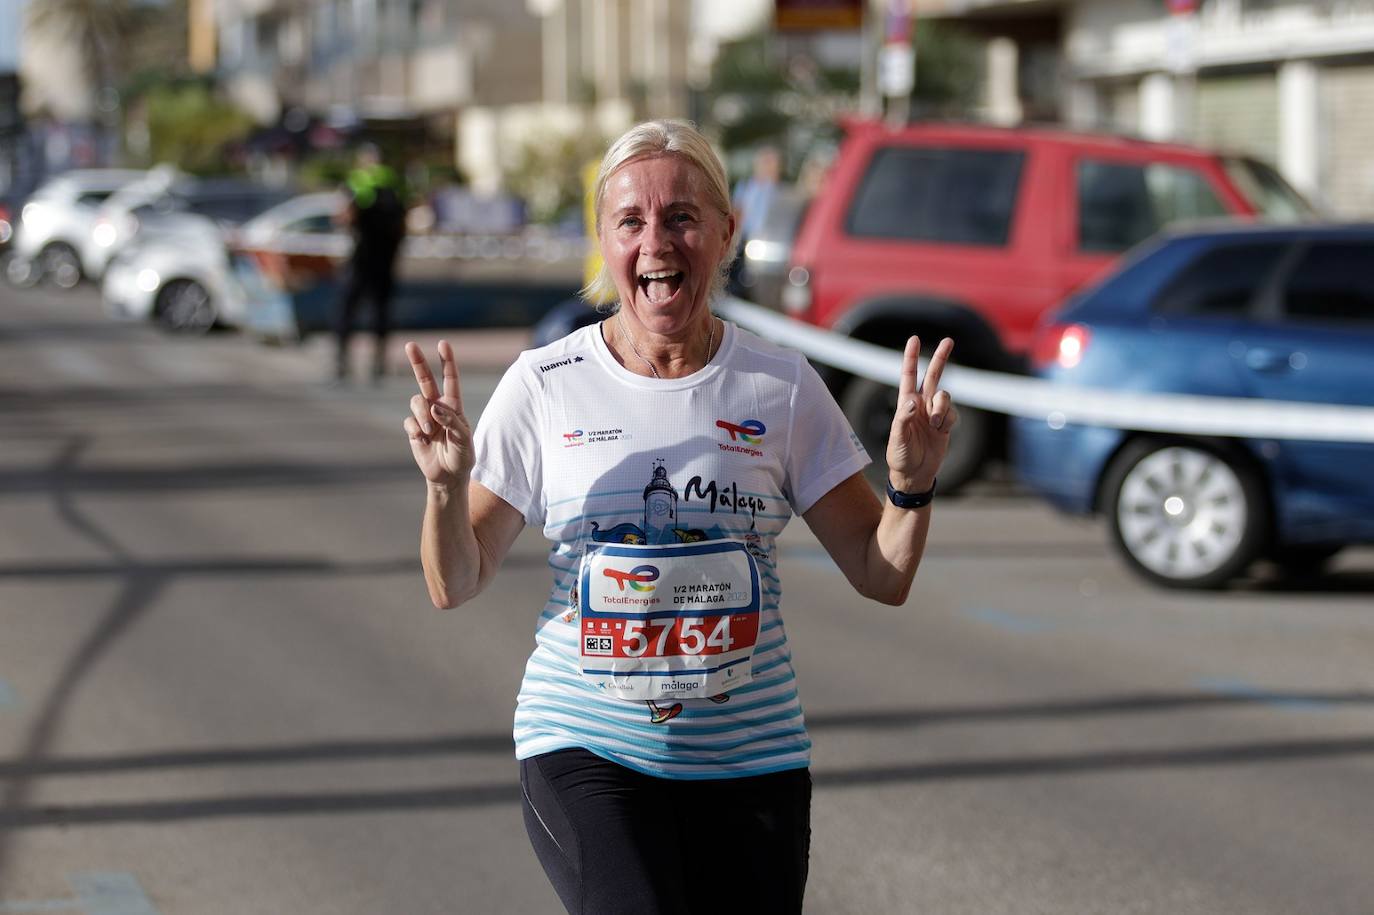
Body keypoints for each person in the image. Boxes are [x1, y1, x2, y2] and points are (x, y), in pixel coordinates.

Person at [401, 120, 957, 915]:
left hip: (752, 759)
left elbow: (881, 572)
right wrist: (447, 489)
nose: (656, 242)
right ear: (604, 240)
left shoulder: (781, 386)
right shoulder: (546, 384)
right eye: (630, 221)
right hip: (588, 745)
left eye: (682, 218)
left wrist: (911, 486)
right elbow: (453, 581)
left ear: (727, 233)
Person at [335, 143, 406, 382]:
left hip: (362, 255)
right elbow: (404, 221)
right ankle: (378, 364)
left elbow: (345, 215)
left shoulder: (357, 180)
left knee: (347, 309)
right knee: (381, 311)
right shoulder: (395, 182)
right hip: (385, 257)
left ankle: (342, 362)